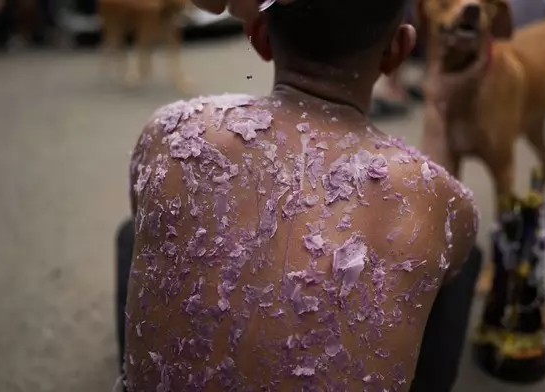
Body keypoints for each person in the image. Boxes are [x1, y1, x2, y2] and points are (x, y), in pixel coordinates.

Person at [122, 0, 480, 390]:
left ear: (259, 36)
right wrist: (439, 109)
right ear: (398, 49)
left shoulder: (169, 133)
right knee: (456, 256)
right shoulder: (442, 200)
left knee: (133, 233)